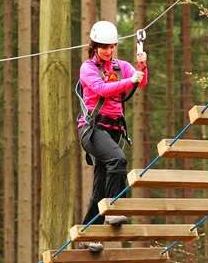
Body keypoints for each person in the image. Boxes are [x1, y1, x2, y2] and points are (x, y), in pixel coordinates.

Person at [77, 21, 148, 252]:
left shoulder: (121, 66)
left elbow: (141, 81)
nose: (109, 51)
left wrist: (141, 66)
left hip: (113, 131)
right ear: (95, 46)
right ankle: (114, 209)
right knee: (119, 161)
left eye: (112, 46)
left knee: (100, 186)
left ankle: (88, 233)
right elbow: (101, 89)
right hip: (92, 130)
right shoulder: (88, 68)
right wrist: (129, 81)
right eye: (104, 47)